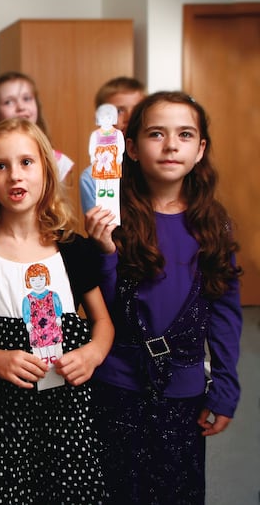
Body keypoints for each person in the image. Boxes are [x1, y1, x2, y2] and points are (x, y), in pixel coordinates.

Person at [85, 91, 242, 504]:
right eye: (157, 134)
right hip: (117, 384)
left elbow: (224, 311)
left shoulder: (213, 223)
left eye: (185, 135)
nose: (171, 145)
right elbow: (101, 306)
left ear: (200, 149)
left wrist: (225, 385)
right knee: (118, 490)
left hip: (185, 388)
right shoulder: (111, 216)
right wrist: (103, 254)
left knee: (178, 492)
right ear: (131, 148)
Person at [0, 117, 114, 504]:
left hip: (64, 410)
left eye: (26, 162)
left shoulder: (73, 247)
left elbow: (103, 321)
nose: (14, 175)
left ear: (46, 170)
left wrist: (92, 353)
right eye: (1, 166)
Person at [0, 71, 74, 232]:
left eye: (27, 98)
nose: (21, 107)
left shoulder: (59, 162)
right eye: (9, 102)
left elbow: (60, 219)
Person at [80, 76, 147, 213]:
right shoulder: (91, 179)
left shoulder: (160, 165)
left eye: (137, 110)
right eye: (119, 111)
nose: (129, 118)